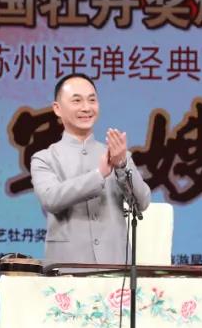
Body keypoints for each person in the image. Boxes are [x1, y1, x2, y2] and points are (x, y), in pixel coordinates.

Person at [30, 73, 151, 264]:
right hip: (67, 265)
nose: (86, 108)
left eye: (92, 100)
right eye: (77, 100)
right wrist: (98, 175)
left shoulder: (117, 155)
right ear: (57, 108)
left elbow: (142, 202)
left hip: (115, 264)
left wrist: (122, 165)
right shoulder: (44, 158)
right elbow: (50, 199)